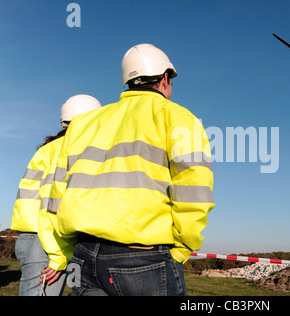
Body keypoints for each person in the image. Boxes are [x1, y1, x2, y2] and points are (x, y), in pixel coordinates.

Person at [48, 43, 215, 296]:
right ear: (164, 79)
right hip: (143, 259)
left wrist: (62, 251)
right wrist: (182, 250)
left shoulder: (82, 125)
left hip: (83, 255)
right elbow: (195, 191)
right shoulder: (179, 118)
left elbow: (57, 194)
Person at [11, 95, 101, 296]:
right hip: (48, 243)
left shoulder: (48, 149)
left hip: (32, 239)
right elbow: (52, 205)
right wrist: (57, 256)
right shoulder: (71, 149)